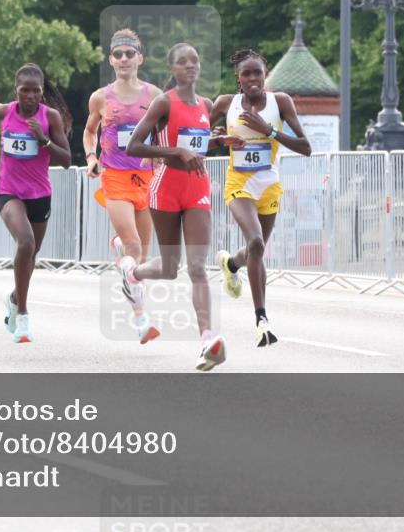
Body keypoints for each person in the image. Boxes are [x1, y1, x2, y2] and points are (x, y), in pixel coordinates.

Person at [124, 43, 226, 371]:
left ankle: (207, 339)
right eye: (182, 62)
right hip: (165, 190)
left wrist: (217, 142)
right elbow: (134, 145)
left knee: (197, 266)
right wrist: (177, 152)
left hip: (197, 190)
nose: (190, 66)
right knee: (169, 269)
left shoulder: (206, 105)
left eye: (195, 60)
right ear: (172, 69)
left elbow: (197, 144)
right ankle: (133, 273)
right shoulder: (163, 102)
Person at [210, 47, 311, 347]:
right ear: (238, 79)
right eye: (246, 74)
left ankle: (231, 265)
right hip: (238, 184)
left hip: (269, 185)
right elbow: (197, 142)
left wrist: (269, 131)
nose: (253, 78)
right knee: (256, 243)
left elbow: (305, 147)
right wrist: (218, 139)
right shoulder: (225, 104)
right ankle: (261, 321)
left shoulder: (280, 102)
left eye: (258, 72)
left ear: (265, 75)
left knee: (255, 249)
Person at [0, 63, 73, 343]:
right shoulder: (3, 111)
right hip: (9, 192)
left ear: (42, 92)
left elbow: (66, 161)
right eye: (24, 91)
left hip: (40, 194)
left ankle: (14, 297)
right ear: (16, 90)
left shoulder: (49, 117)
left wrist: (42, 140)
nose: (29, 96)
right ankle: (23, 315)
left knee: (30, 256)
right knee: (26, 243)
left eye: (35, 91)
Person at [83, 29, 162, 344]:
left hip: (146, 180)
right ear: (111, 60)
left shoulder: (155, 95)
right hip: (114, 176)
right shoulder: (101, 97)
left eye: (131, 53)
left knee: (140, 258)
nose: (125, 59)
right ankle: (141, 320)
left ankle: (120, 248)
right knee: (132, 247)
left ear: (140, 58)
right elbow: (90, 131)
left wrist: (160, 157)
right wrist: (91, 157)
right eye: (119, 54)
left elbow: (164, 133)